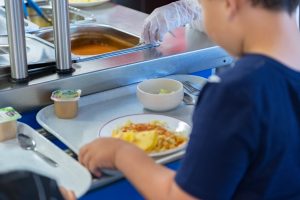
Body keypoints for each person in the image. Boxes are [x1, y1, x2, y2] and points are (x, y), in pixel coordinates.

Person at [79, 0, 300, 199]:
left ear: (230, 4)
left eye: (202, 6)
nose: (198, 11)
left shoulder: (235, 93)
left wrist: (121, 153)